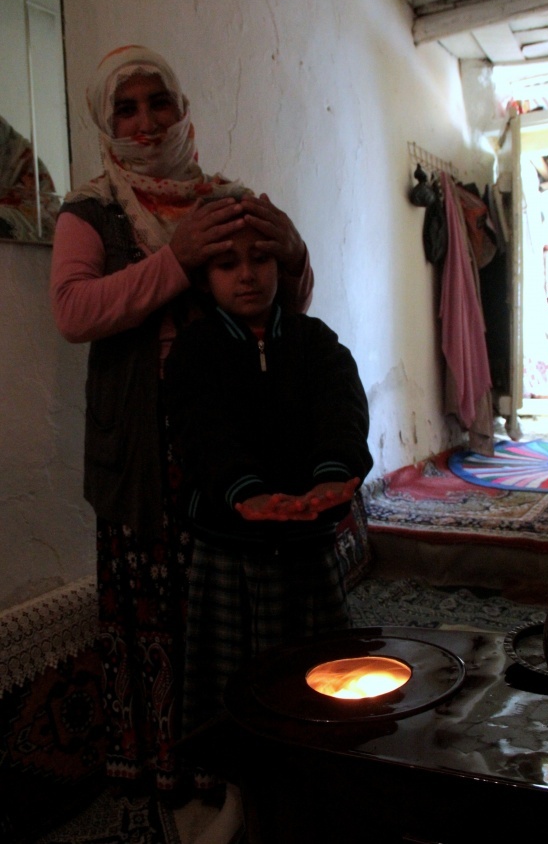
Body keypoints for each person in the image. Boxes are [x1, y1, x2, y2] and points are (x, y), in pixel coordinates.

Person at [49, 45, 314, 801]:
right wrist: (176, 260)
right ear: (106, 120)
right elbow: (73, 312)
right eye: (125, 107)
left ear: (181, 106)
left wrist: (293, 249)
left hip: (233, 429)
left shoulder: (225, 196)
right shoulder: (91, 208)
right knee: (159, 610)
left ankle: (253, 748)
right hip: (143, 446)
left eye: (157, 101)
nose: (144, 121)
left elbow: (283, 298)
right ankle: (168, 763)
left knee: (236, 595)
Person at [164, 195, 373, 747]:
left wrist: (333, 474)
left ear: (282, 265)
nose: (247, 275)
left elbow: (343, 411)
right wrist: (245, 491)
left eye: (260, 259)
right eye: (227, 264)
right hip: (227, 546)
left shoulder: (316, 343)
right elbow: (202, 432)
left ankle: (321, 761)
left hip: (308, 541)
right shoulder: (194, 352)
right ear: (204, 277)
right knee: (231, 682)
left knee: (321, 674)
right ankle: (236, 788)